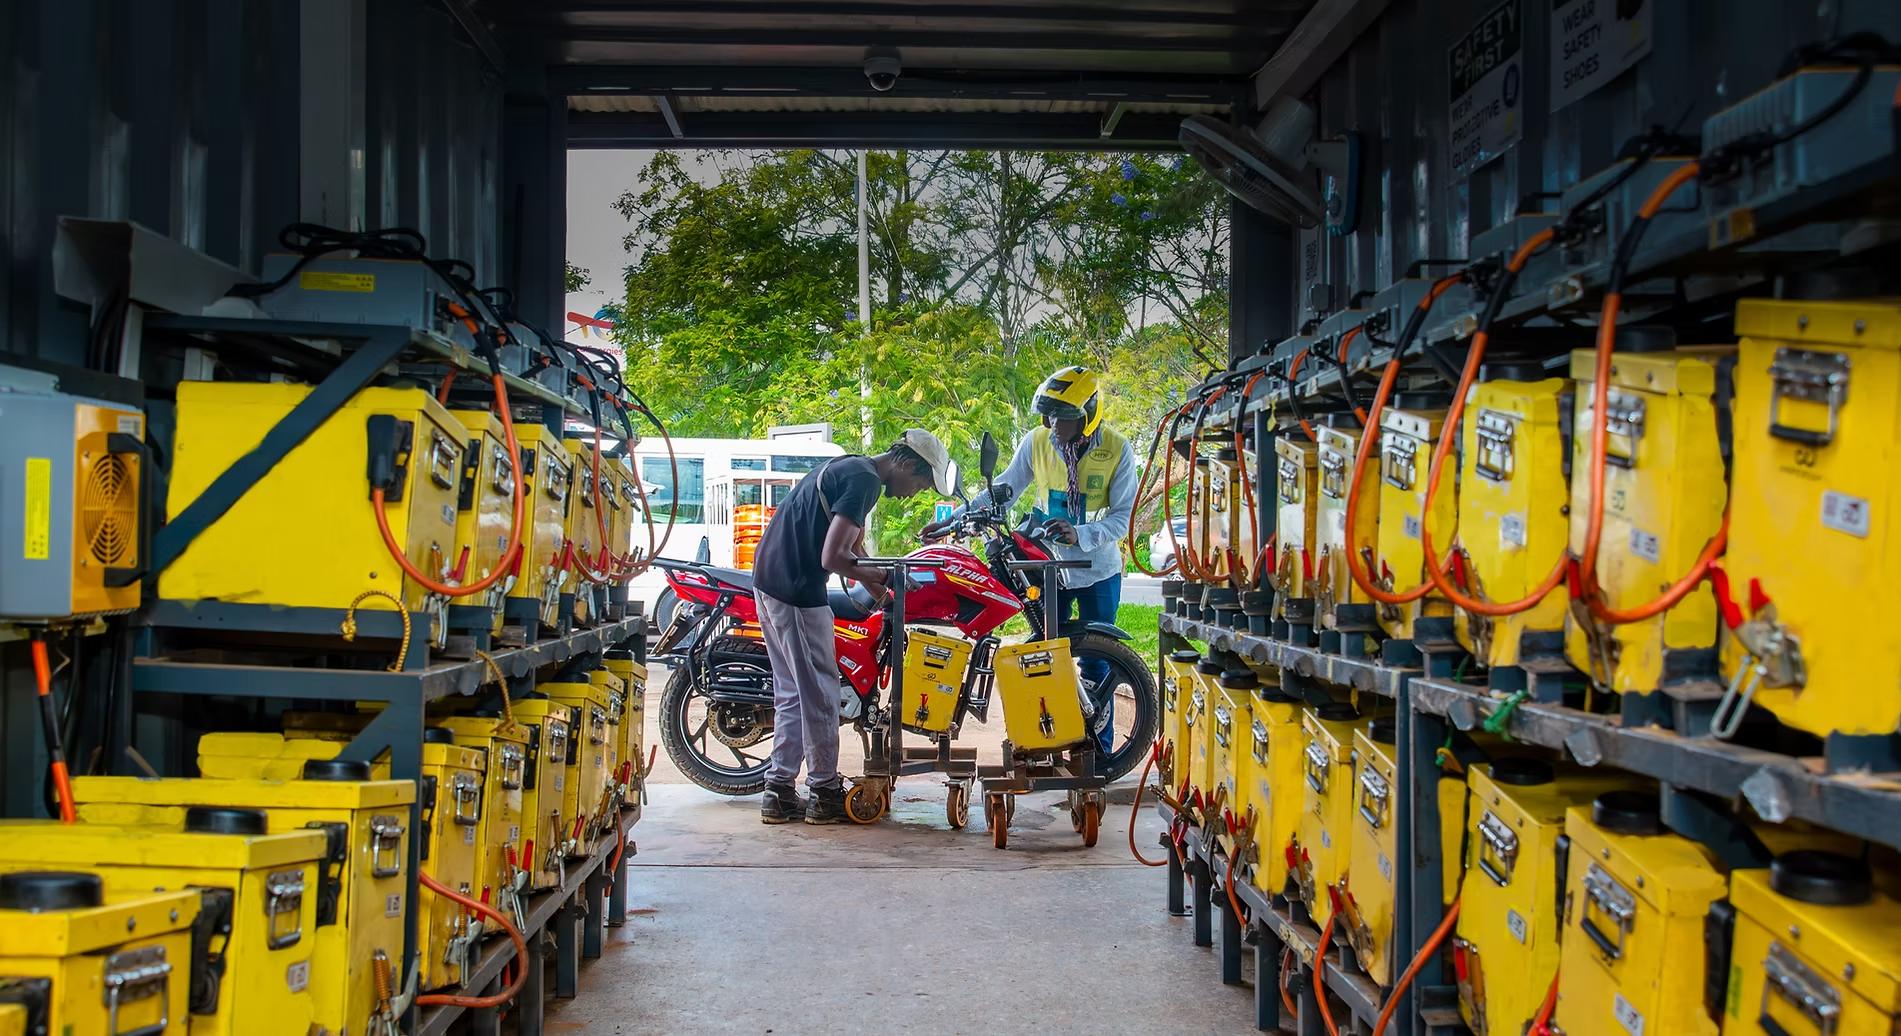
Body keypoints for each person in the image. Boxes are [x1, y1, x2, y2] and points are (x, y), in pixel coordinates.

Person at [921, 365, 1135, 765]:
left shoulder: (1119, 450)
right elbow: (1001, 490)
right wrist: (952, 521)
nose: (1054, 424)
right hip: (1045, 566)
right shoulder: (1035, 442)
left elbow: (1122, 518)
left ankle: (1098, 756)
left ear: (1089, 414)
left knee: (1097, 660)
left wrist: (1080, 533)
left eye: (1063, 416)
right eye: (1050, 415)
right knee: (1042, 652)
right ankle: (1043, 742)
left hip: (1098, 570)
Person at [753, 428, 955, 824]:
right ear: (906, 463)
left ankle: (778, 792)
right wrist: (881, 573)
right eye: (919, 483)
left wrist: (877, 581)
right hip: (795, 589)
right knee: (820, 695)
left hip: (770, 581)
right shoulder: (865, 481)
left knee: (794, 693)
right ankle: (825, 792)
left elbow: (853, 549)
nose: (914, 493)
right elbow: (833, 556)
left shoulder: (853, 466)